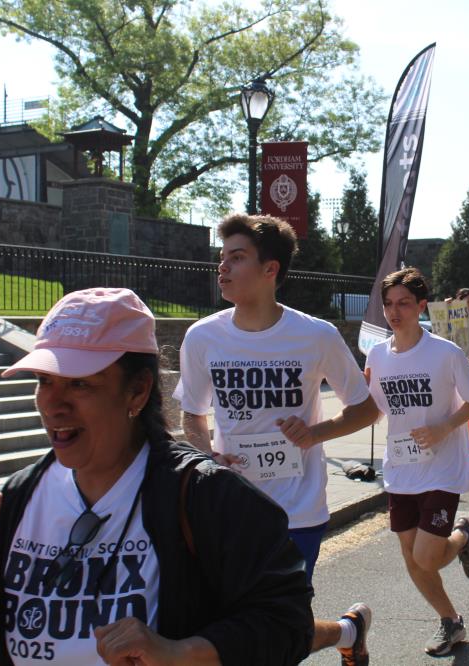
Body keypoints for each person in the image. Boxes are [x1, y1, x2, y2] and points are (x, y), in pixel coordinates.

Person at [0, 288, 314, 665]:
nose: (53, 404)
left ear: (138, 391)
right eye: (44, 380)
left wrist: (181, 654)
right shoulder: (19, 496)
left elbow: (287, 623)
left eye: (79, 383)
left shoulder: (207, 497)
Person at [174, 214, 380, 665]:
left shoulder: (316, 336)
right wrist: (208, 457)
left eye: (237, 257)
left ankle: (346, 631)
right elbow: (192, 413)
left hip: (296, 510)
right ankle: (349, 630)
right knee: (239, 627)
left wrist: (315, 433)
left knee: (275, 630)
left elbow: (366, 409)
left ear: (270, 269)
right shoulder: (202, 337)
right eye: (222, 257)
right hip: (228, 508)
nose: (223, 267)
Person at [364, 269, 469, 657]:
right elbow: (376, 408)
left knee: (427, 556)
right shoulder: (377, 355)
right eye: (388, 304)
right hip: (401, 467)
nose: (394, 312)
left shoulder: (445, 353)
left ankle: (463, 535)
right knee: (412, 558)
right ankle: (450, 621)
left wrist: (443, 427)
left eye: (403, 303)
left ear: (421, 306)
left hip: (441, 467)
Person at [444, 287, 469, 362]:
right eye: (468, 302)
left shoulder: (467, 318)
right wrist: (445, 305)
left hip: (461, 360)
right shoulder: (451, 313)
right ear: (459, 300)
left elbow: (464, 339)